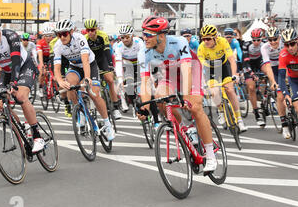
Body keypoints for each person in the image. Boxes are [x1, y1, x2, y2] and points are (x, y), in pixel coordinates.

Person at [137, 16, 218, 172]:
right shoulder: (144, 51)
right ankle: (183, 130)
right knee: (160, 98)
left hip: (190, 70)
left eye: (148, 34)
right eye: (143, 33)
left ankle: (210, 155)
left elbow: (187, 69)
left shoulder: (179, 42)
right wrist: (144, 108)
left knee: (194, 107)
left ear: (161, 35)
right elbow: (145, 81)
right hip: (169, 74)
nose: (144, 38)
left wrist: (186, 96)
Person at [0, 14, 46, 153]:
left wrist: (13, 82)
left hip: (24, 67)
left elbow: (16, 62)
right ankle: (22, 129)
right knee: (1, 104)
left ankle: (37, 136)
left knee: (21, 96)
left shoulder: (10, 36)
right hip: (6, 72)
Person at [53, 19, 115, 140]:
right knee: (69, 85)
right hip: (75, 67)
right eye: (59, 34)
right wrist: (60, 81)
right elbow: (57, 67)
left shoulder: (80, 39)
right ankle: (80, 112)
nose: (62, 37)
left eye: (64, 33)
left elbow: (85, 60)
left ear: (71, 31)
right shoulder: (58, 45)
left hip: (90, 65)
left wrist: (87, 78)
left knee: (94, 94)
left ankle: (108, 124)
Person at [198, 25, 247, 132]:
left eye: (208, 38)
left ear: (215, 37)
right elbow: (201, 68)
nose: (206, 41)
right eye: (204, 39)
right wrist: (202, 83)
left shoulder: (223, 42)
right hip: (211, 70)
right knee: (214, 92)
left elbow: (231, 59)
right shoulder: (201, 47)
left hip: (224, 67)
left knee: (230, 90)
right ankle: (220, 111)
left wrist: (235, 74)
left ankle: (239, 120)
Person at [84, 19, 122, 120]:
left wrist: (110, 65)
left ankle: (115, 107)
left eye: (92, 30)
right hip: (92, 61)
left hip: (102, 59)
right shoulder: (85, 39)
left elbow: (107, 50)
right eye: (88, 30)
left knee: (109, 79)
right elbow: (85, 56)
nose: (90, 32)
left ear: (96, 29)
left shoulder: (103, 35)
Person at [242, 28, 277, 127]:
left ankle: (268, 94)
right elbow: (246, 62)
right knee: (252, 87)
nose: (256, 42)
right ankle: (256, 112)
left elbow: (269, 58)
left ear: (262, 38)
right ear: (251, 39)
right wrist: (252, 74)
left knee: (269, 72)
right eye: (254, 40)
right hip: (248, 63)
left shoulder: (266, 43)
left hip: (259, 61)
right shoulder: (246, 45)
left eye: (258, 40)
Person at [260, 27, 291, 139]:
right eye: (270, 39)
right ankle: (284, 125)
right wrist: (273, 82)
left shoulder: (285, 43)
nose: (273, 42)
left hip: (285, 64)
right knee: (280, 95)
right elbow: (267, 66)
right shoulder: (265, 47)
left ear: (279, 37)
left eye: (275, 39)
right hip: (272, 67)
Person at [36, 29, 53, 98]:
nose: (48, 37)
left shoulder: (54, 42)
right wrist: (42, 65)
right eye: (46, 36)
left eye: (50, 36)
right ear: (44, 36)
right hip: (42, 57)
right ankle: (40, 88)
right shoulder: (40, 43)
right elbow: (40, 55)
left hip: (50, 57)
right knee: (42, 72)